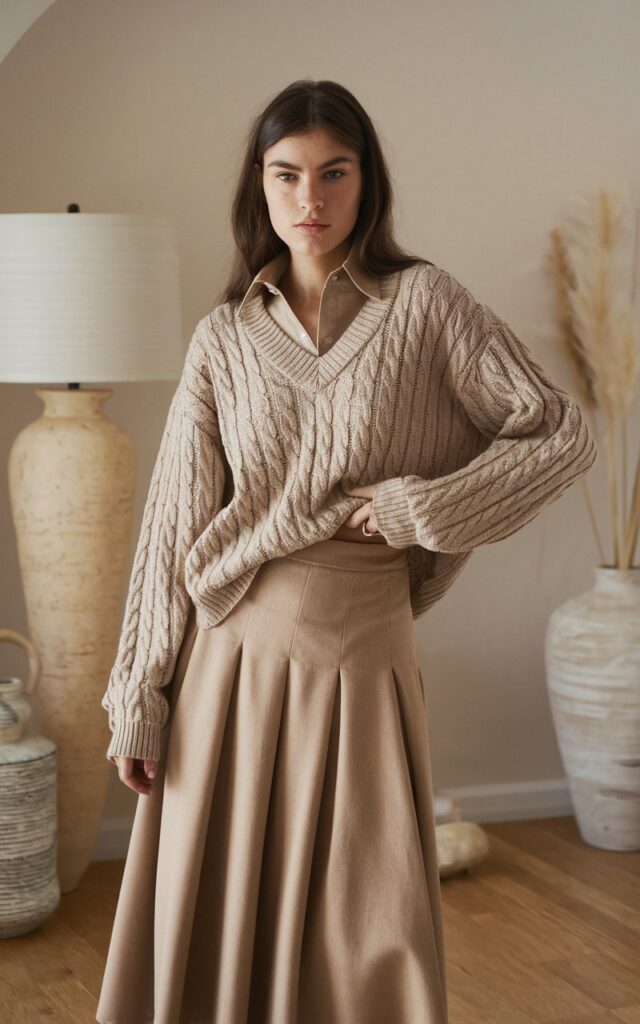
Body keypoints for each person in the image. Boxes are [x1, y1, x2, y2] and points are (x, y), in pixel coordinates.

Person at [96, 79, 597, 1024]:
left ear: (368, 183)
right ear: (259, 184)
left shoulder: (426, 305)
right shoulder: (224, 338)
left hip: (364, 654)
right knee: (220, 925)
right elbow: (173, 521)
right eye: (288, 175)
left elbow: (562, 433)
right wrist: (138, 695)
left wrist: (424, 506)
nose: (311, 201)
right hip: (231, 660)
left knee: (373, 924)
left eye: (335, 173)